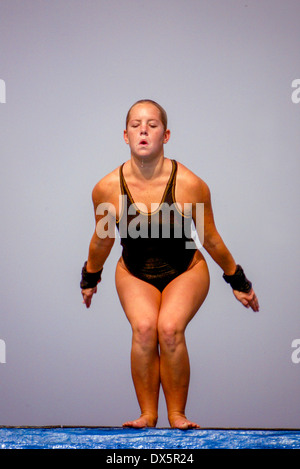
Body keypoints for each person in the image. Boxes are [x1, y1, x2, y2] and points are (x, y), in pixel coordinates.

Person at [80, 99, 259, 430]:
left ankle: (177, 414)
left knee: (170, 329)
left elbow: (211, 239)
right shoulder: (107, 188)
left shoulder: (189, 184)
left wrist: (239, 281)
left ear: (166, 134)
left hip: (186, 269)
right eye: (135, 125)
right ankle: (148, 415)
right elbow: (103, 240)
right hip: (134, 273)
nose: (143, 130)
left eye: (152, 124)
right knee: (145, 329)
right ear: (125, 135)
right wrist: (89, 277)